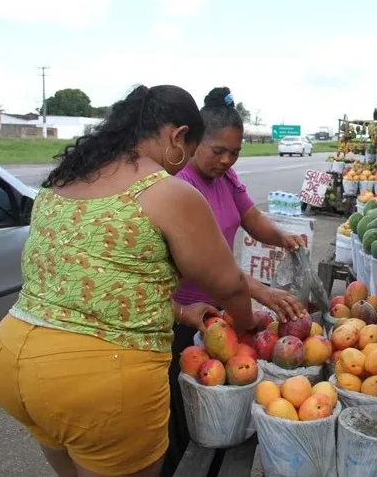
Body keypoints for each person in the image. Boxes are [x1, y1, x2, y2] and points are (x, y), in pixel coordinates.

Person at [0, 85, 255, 477]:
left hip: (14, 362)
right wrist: (247, 333)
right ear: (176, 136)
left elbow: (98, 281)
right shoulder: (167, 193)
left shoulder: (59, 184)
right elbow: (230, 286)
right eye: (191, 148)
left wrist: (182, 312)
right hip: (99, 380)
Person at [161, 87, 308, 475]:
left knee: (220, 408)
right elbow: (204, 263)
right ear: (193, 143)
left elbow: (250, 217)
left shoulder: (226, 178)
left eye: (235, 152)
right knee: (183, 417)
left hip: (221, 312)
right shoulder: (182, 186)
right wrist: (257, 291)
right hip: (186, 315)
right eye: (217, 150)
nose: (226, 159)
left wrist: (282, 237)